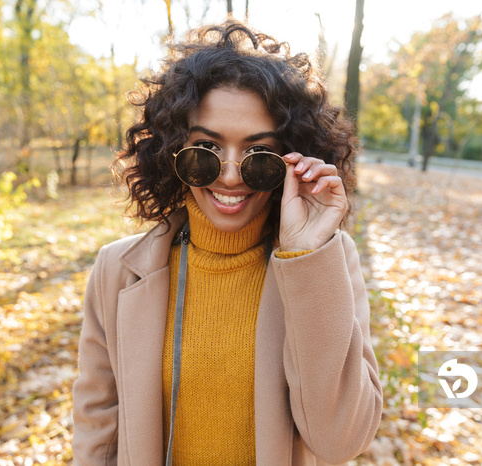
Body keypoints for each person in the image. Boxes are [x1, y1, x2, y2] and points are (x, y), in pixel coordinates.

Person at [72, 19, 382, 466]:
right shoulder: (116, 270)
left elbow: (340, 440)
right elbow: (98, 428)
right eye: (206, 150)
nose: (231, 174)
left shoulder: (327, 263)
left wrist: (306, 256)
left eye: (260, 154)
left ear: (293, 161)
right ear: (170, 151)